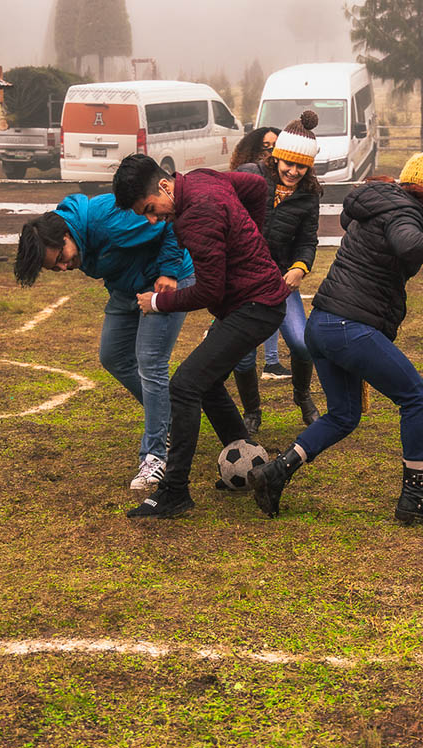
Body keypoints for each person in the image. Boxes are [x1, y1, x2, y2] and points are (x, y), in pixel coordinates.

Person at [249, 153, 423, 524]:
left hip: (323, 324)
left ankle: (275, 473)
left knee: (343, 415)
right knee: (416, 398)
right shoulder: (403, 211)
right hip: (349, 327)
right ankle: (415, 495)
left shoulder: (380, 205)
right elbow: (411, 246)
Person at [113, 154, 291, 519]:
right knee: (204, 382)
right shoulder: (202, 179)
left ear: (164, 186)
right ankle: (247, 461)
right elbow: (257, 187)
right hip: (256, 303)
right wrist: (253, 238)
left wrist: (159, 302)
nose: (152, 219)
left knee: (185, 385)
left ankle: (174, 490)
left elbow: (209, 290)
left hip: (255, 307)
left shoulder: (197, 215)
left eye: (150, 208)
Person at [13, 193, 194, 489]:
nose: (63, 268)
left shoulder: (111, 222)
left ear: (66, 234)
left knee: (151, 361)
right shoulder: (75, 238)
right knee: (113, 356)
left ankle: (155, 456)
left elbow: (170, 222)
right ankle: (172, 418)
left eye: (60, 258)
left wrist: (169, 272)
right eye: (54, 268)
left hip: (166, 279)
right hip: (127, 288)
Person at [232, 111, 323, 436]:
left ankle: (302, 395)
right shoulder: (250, 176)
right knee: (243, 356)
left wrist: (300, 267)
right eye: (289, 163)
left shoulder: (309, 194)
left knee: (301, 343)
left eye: (302, 166)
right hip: (243, 282)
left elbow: (307, 240)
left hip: (282, 282)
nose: (294, 171)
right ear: (277, 157)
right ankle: (252, 411)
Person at [229, 125, 291, 383]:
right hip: (249, 260)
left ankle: (272, 361)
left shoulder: (286, 182)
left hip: (275, 261)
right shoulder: (246, 177)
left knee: (273, 310)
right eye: (266, 147)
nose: (271, 152)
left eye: (276, 147)